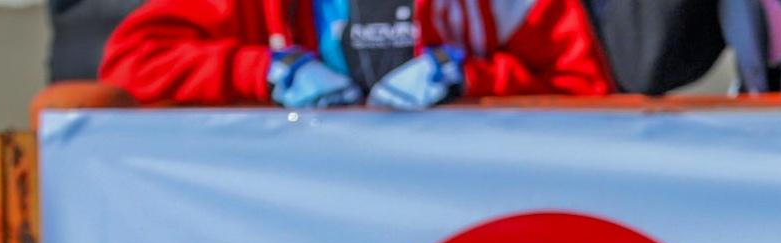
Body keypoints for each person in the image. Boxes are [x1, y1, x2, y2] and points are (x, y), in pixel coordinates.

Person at [100, 0, 616, 108]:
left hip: (465, 212)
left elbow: (583, 91)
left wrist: (471, 82)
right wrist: (265, 71)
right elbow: (133, 64)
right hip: (298, 215)